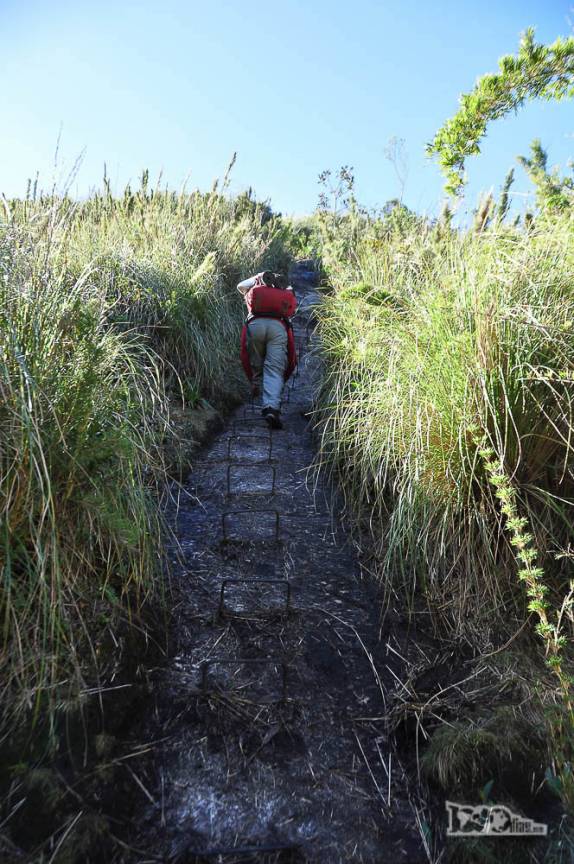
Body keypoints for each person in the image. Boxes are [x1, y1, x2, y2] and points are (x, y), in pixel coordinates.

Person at [237, 271, 297, 429]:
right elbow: (291, 300)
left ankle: (256, 385)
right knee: (274, 370)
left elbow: (240, 286)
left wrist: (257, 281)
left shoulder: (257, 280)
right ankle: (271, 408)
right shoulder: (285, 287)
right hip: (278, 327)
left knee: (256, 361)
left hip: (255, 325)